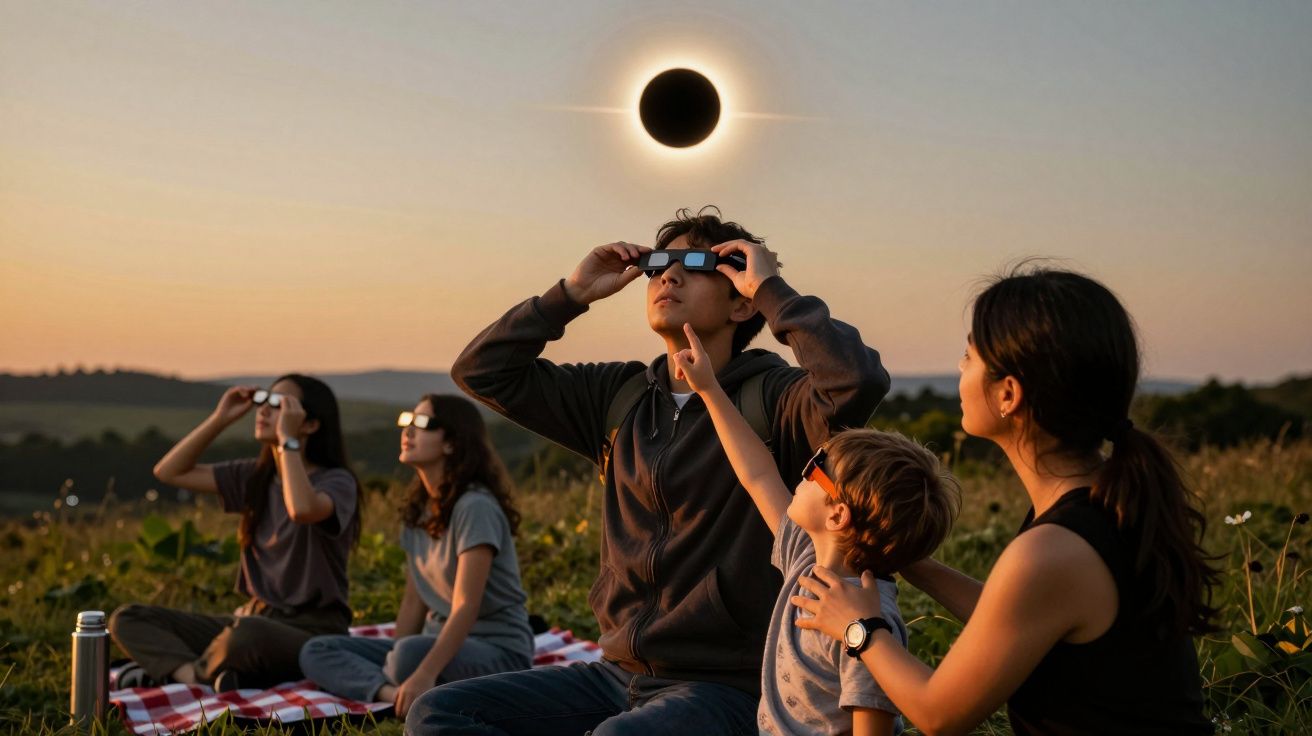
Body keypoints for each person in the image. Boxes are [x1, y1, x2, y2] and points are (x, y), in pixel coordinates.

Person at [406, 207, 889, 735]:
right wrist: (568, 294)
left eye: (694, 265)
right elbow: (480, 372)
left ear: (740, 301)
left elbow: (856, 381)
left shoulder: (772, 399)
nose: (668, 277)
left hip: (726, 688)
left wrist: (772, 288)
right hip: (614, 677)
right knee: (440, 712)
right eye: (660, 266)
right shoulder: (620, 397)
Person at [792, 266, 1218, 735]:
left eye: (968, 356)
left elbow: (939, 715)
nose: (959, 368)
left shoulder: (1054, 551)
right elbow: (1013, 616)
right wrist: (916, 564)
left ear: (1008, 394)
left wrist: (860, 629)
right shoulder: (1097, 501)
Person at [672, 322, 959, 735]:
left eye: (813, 468)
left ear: (838, 516)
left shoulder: (869, 619)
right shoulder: (804, 555)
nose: (802, 473)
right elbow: (757, 473)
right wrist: (710, 391)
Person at [109, 374, 361, 691]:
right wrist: (221, 418)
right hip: (253, 619)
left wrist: (288, 442)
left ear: (309, 424)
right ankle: (198, 677)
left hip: (313, 630)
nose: (264, 412)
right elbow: (169, 471)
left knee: (246, 636)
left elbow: (302, 509)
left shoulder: (337, 482)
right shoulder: (254, 478)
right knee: (129, 619)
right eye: (263, 402)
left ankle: (181, 673)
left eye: (278, 405)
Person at [299, 394, 532, 717]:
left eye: (421, 423)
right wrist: (395, 657)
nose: (408, 430)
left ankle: (402, 683)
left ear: (451, 443)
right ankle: (392, 693)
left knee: (408, 655)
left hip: (498, 651)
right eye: (406, 421)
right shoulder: (420, 511)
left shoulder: (474, 507)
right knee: (317, 649)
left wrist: (419, 670)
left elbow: (466, 605)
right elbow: (414, 600)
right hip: (434, 645)